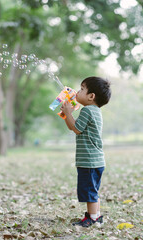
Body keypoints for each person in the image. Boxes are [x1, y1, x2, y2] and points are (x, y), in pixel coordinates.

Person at [60, 76, 111, 228]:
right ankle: (95, 215)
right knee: (93, 190)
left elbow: (75, 128)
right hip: (95, 161)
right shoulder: (94, 111)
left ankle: (93, 219)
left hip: (89, 161)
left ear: (91, 96)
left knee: (90, 192)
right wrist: (67, 114)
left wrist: (68, 113)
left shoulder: (87, 110)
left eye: (82, 89)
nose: (78, 91)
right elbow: (74, 127)